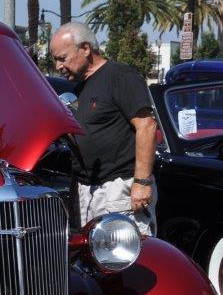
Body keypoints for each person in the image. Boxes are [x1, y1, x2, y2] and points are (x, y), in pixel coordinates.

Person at [49, 22, 158, 235]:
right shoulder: (80, 89)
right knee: (92, 263)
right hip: (88, 193)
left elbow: (147, 125)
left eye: (62, 58)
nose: (58, 66)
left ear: (86, 49)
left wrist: (142, 182)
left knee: (125, 260)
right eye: (55, 60)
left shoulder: (120, 76)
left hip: (119, 191)